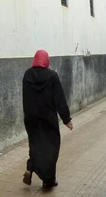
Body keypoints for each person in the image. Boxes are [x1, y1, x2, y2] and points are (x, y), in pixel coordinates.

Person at [22, 49, 73, 189]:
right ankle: (48, 180)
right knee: (51, 147)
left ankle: (30, 167)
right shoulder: (52, 76)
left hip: (31, 118)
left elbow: (25, 98)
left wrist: (28, 116)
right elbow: (59, 99)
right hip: (48, 118)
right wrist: (66, 119)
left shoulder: (27, 75)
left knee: (35, 143)